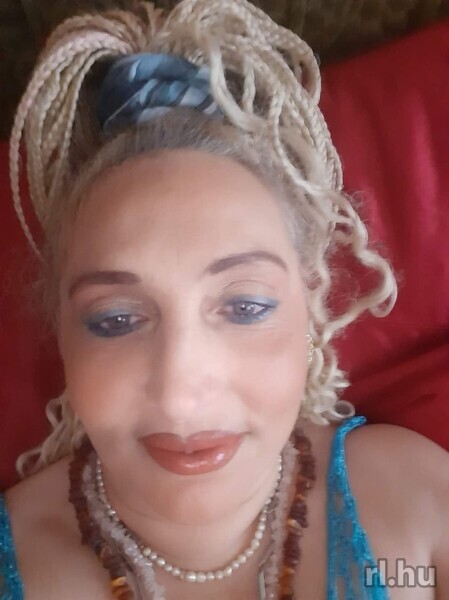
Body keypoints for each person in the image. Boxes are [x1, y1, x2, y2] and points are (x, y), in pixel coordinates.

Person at [1, 0, 448, 598]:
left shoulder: (418, 509)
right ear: (60, 330)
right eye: (117, 319)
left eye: (245, 308)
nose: (180, 397)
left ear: (311, 306)